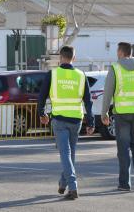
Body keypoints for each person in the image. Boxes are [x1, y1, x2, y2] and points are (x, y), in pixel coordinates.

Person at [38, 46, 95, 200]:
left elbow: (42, 96)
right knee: (70, 153)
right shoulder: (81, 75)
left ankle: (73, 186)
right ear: (73, 58)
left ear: (60, 57)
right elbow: (88, 101)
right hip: (76, 120)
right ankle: (63, 183)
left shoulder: (53, 74)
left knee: (65, 153)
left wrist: (42, 114)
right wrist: (91, 121)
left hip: (59, 120)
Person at [101, 42, 134, 191]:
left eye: (117, 50)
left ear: (120, 52)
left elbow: (108, 93)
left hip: (122, 114)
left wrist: (104, 113)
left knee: (123, 149)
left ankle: (124, 184)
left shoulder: (115, 68)